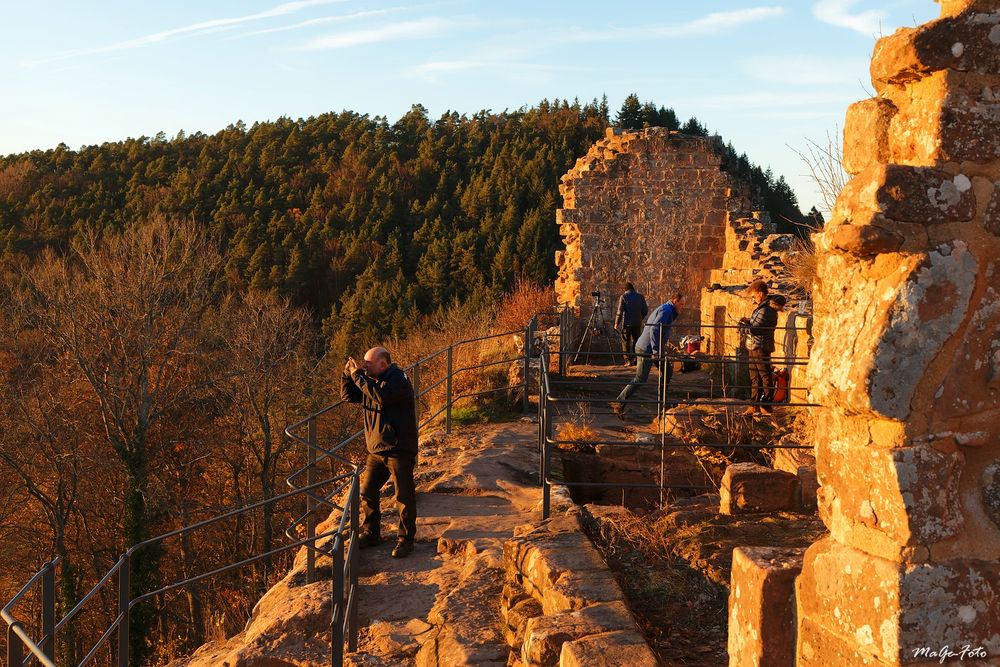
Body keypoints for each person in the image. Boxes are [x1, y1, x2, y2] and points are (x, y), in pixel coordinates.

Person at [341, 346, 418, 558]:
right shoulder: (370, 382)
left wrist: (359, 377)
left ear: (382, 364)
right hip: (376, 450)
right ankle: (371, 532)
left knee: (403, 495)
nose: (364, 367)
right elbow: (348, 396)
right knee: (368, 491)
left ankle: (405, 540)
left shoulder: (398, 380)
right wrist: (348, 376)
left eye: (368, 363)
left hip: (398, 449)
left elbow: (381, 397)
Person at [611, 292, 683, 417]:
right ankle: (619, 402)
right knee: (640, 378)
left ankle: (662, 403)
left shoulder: (667, 309)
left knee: (667, 371)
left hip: (651, 348)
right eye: (681, 304)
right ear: (675, 301)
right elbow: (655, 329)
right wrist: (656, 351)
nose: (682, 307)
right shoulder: (666, 311)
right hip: (647, 349)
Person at [740, 281, 779, 415]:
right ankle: (754, 404)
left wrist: (745, 326)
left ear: (761, 294)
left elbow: (757, 329)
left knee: (764, 375)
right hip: (755, 345)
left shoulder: (766, 309)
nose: (753, 299)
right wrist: (748, 321)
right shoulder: (763, 308)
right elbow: (757, 324)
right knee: (755, 376)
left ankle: (766, 405)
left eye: (754, 296)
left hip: (760, 346)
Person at [614, 282, 649, 366]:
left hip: (627, 324)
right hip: (637, 323)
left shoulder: (624, 297)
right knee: (636, 342)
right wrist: (640, 318)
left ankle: (628, 361)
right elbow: (645, 310)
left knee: (625, 342)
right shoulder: (640, 297)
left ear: (625, 289)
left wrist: (616, 323)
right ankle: (636, 360)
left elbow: (620, 312)